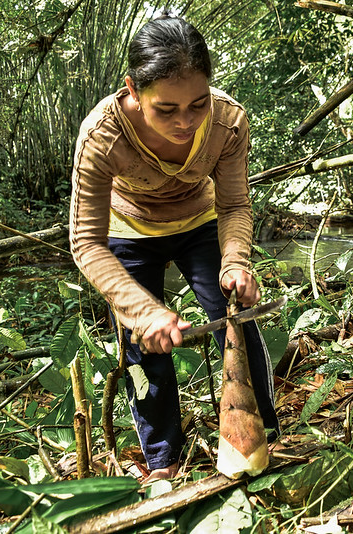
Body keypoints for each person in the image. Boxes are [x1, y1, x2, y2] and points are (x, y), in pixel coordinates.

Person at [69, 15, 279, 481]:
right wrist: (143, 312)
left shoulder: (227, 123)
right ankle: (162, 459)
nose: (185, 122)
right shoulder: (101, 136)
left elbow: (235, 205)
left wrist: (236, 262)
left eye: (197, 104)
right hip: (129, 231)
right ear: (132, 89)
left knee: (237, 320)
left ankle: (264, 440)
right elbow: (85, 241)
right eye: (166, 110)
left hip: (201, 222)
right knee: (144, 347)